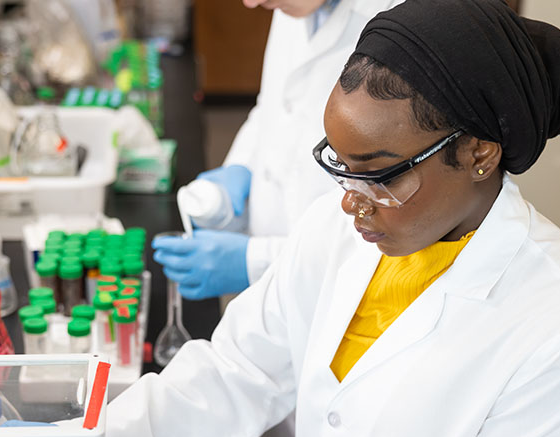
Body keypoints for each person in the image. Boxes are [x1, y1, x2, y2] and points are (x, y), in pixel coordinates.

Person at [0, 1, 560, 437]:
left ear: (479, 153)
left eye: (377, 172)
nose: (349, 200)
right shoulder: (337, 231)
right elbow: (239, 372)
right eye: (337, 163)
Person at [152, 0, 404, 301]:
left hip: (343, 300)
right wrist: (241, 168)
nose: (252, 3)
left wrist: (254, 261)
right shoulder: (295, 6)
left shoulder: (403, 20)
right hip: (271, 297)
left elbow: (390, 220)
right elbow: (274, 107)